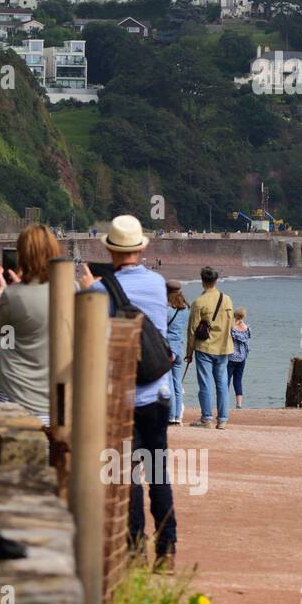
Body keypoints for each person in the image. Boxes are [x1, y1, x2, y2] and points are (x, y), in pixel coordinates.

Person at [77, 215, 175, 570]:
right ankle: (168, 550)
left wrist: (89, 289)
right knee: (159, 472)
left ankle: (135, 551)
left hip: (122, 397)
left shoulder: (101, 290)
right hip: (159, 392)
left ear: (109, 249)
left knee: (128, 475)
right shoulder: (158, 282)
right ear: (140, 249)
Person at [0, 225, 60, 425]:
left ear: (21, 255)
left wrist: (4, 297)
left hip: (16, 397)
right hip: (55, 401)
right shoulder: (71, 290)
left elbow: (5, 341)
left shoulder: (12, 296)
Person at [185, 266, 234, 428]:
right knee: (222, 383)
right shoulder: (226, 299)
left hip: (204, 347)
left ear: (202, 281)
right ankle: (223, 419)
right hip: (223, 347)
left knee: (205, 383)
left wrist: (189, 352)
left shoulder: (199, 302)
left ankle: (206, 418)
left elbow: (192, 329)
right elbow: (230, 324)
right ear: (216, 280)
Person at [165, 281, 190, 426]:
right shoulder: (186, 309)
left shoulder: (166, 309)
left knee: (168, 384)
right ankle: (177, 416)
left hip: (168, 349)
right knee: (177, 384)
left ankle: (171, 416)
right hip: (179, 348)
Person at [229, 307, 251, 409]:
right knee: (238, 380)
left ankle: (223, 401)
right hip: (242, 358)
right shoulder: (246, 327)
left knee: (226, 380)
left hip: (231, 357)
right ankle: (239, 404)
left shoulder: (232, 327)